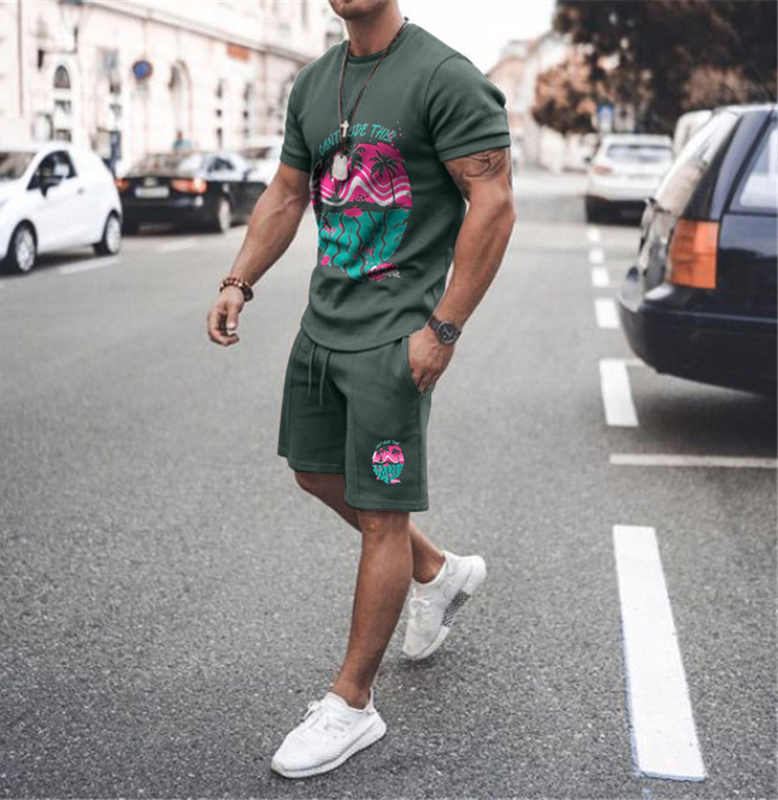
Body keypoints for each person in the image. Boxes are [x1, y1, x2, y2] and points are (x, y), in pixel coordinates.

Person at [206, 0, 515, 779]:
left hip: (395, 336)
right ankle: (436, 571)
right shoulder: (315, 82)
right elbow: (287, 193)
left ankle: (352, 703)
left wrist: (443, 328)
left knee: (382, 515)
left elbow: (493, 203)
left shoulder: (445, 77)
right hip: (323, 326)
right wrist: (240, 279)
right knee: (315, 473)